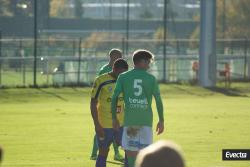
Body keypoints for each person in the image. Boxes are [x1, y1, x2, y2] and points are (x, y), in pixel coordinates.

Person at [112, 49, 164, 167]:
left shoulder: (123, 77)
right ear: (142, 62)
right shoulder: (151, 79)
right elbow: (158, 101)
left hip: (131, 123)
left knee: (130, 155)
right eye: (148, 61)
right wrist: (161, 120)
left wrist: (114, 118)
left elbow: (114, 98)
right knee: (145, 155)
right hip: (146, 123)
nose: (149, 64)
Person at [91, 59, 129, 167]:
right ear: (114, 69)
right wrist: (97, 125)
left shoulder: (126, 81)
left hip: (121, 124)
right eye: (120, 73)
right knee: (103, 151)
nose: (122, 76)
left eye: (124, 73)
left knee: (129, 150)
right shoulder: (101, 80)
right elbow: (93, 103)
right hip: (105, 124)